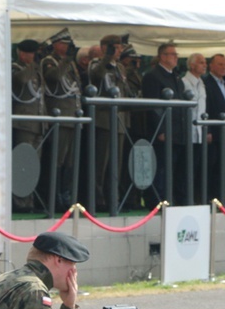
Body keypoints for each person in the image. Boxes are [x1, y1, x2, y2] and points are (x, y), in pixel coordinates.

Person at [141, 43, 187, 205]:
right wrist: (160, 129)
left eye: (176, 54)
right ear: (163, 56)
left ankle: (172, 198)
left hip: (177, 131)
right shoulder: (153, 76)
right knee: (160, 167)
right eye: (172, 54)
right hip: (162, 131)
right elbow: (153, 106)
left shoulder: (176, 78)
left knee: (174, 168)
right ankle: (157, 201)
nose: (176, 57)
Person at [88, 34, 130, 211]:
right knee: (101, 163)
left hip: (119, 119)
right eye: (117, 47)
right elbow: (96, 76)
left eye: (120, 48)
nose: (120, 51)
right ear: (106, 47)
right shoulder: (96, 63)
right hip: (104, 119)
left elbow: (124, 89)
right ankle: (98, 200)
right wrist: (107, 57)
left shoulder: (119, 67)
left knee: (116, 164)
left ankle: (114, 197)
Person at [41, 29, 82, 210]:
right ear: (56, 44)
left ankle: (66, 195)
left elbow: (76, 86)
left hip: (72, 115)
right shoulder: (49, 61)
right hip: (60, 115)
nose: (66, 48)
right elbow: (54, 78)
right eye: (64, 44)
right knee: (58, 159)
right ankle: (55, 197)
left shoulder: (69, 64)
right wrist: (66, 60)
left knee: (70, 161)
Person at [12, 39, 46, 212]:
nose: (32, 56)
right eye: (29, 53)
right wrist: (34, 65)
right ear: (21, 53)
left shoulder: (35, 69)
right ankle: (19, 201)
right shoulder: (16, 67)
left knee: (33, 164)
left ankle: (30, 200)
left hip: (37, 122)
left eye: (33, 53)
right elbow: (21, 80)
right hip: (24, 122)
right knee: (22, 162)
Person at [203, 53, 225, 201]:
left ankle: (224, 198)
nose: (224, 67)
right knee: (212, 167)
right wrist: (208, 130)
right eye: (220, 64)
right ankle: (211, 199)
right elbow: (206, 107)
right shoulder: (205, 82)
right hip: (214, 133)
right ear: (211, 66)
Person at [182, 53, 209, 204]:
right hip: (188, 133)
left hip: (200, 133)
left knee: (197, 168)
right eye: (201, 62)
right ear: (192, 65)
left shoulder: (202, 84)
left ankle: (195, 198)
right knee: (186, 168)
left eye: (205, 62)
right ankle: (185, 199)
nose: (204, 65)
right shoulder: (184, 82)